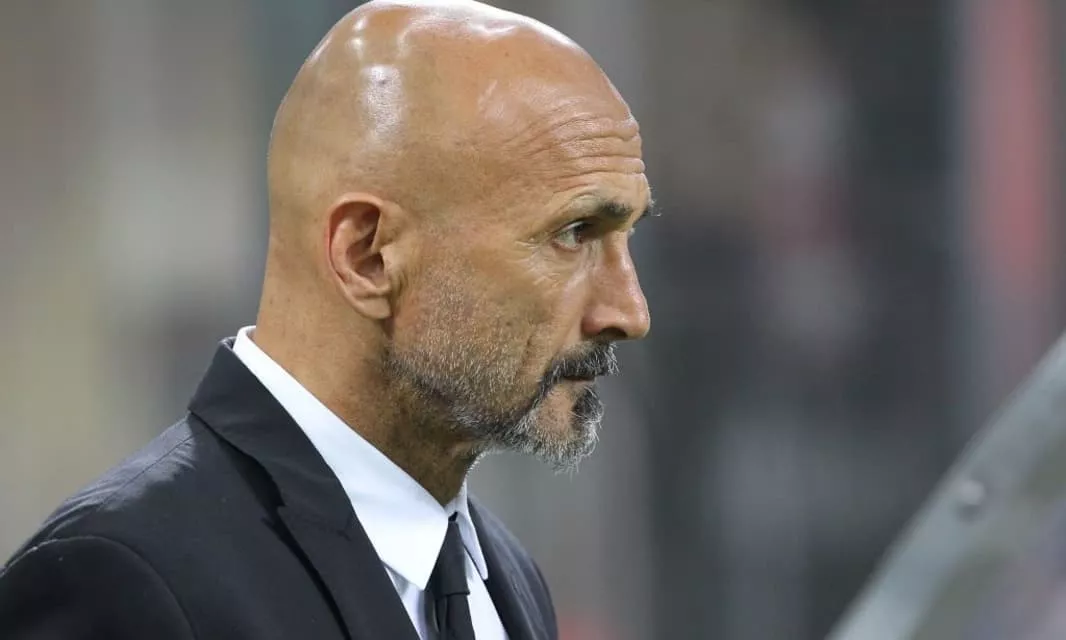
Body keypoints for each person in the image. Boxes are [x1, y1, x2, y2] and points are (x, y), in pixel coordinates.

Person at [0, 0, 652, 637]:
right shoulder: (119, 583)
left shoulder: (505, 576)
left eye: (627, 236)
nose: (629, 311)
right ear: (367, 256)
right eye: (574, 233)